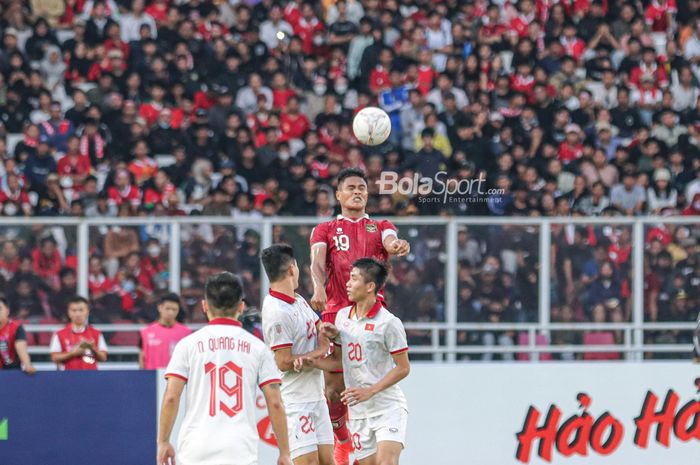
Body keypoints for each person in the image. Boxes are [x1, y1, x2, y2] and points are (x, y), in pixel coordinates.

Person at [309, 167, 410, 465]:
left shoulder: (380, 226)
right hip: (335, 311)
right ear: (338, 194)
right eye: (351, 187)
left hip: (370, 312)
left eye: (362, 189)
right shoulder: (325, 229)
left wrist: (396, 246)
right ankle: (343, 439)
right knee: (333, 388)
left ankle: (381, 423)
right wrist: (318, 288)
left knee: (369, 373)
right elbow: (317, 262)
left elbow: (391, 240)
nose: (357, 192)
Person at [158, 272, 292, 465]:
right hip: (240, 449)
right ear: (241, 306)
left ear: (205, 305)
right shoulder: (258, 348)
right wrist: (284, 452)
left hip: (195, 448)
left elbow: (171, 397)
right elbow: (276, 402)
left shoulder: (187, 345)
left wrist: (163, 442)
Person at [303, 258, 410, 465]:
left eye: (353, 279)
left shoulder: (389, 323)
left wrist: (370, 391)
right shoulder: (342, 317)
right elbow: (339, 363)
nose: (348, 284)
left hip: (387, 408)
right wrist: (312, 361)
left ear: (370, 286)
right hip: (359, 412)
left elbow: (403, 368)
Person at [261, 244, 334, 465]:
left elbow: (319, 326)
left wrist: (325, 331)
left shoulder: (298, 300)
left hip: (315, 398)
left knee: (328, 461)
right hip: (294, 402)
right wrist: (321, 350)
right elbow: (283, 362)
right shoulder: (276, 311)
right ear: (292, 269)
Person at [49, 296, 108, 370]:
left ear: (87, 312)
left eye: (81, 310)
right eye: (74, 310)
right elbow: (54, 358)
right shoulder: (60, 334)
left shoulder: (96, 333)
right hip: (68, 377)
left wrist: (93, 348)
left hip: (91, 377)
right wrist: (72, 353)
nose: (77, 314)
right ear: (69, 312)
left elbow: (103, 358)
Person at [139, 293, 192, 369]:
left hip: (176, 378)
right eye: (167, 309)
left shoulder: (186, 333)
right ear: (160, 307)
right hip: (152, 378)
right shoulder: (146, 332)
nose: (171, 312)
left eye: (174, 309)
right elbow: (142, 356)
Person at [0, 297, 36, 374]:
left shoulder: (16, 328)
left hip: (12, 373)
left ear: (7, 311)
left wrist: (27, 365)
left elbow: (21, 348)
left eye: (0, 309)